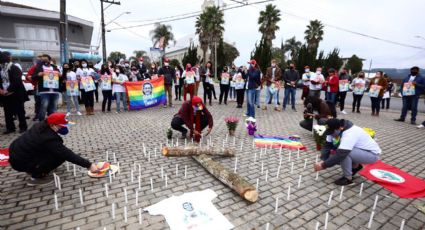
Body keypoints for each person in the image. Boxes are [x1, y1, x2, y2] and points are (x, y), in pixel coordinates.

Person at [9, 112, 99, 186]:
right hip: (20, 161)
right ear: (53, 125)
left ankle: (34, 168)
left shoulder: (41, 125)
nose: (64, 127)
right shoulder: (48, 138)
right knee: (60, 156)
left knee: (52, 152)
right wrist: (89, 165)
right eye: (61, 126)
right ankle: (37, 176)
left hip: (16, 154)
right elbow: (67, 154)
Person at [314, 118, 381, 186]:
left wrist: (323, 165)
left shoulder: (350, 133)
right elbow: (327, 146)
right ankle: (355, 167)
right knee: (336, 155)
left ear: (340, 128)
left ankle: (347, 179)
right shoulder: (332, 130)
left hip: (372, 154)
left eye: (332, 132)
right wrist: (323, 159)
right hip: (358, 151)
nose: (330, 134)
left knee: (344, 154)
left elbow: (341, 154)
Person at [0, 51, 28, 134]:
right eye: (10, 56)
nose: (11, 57)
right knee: (7, 111)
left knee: (20, 111)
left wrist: (8, 90)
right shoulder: (1, 68)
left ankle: (23, 127)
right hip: (4, 93)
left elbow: (17, 81)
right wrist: (1, 90)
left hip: (15, 93)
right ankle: (10, 128)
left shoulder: (14, 67)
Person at [32, 54, 61, 121]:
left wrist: (60, 75)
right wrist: (38, 74)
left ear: (49, 60)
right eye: (43, 60)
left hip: (54, 91)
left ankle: (51, 121)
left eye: (46, 59)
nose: (44, 61)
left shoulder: (54, 67)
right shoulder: (39, 68)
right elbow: (33, 77)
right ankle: (41, 121)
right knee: (44, 107)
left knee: (53, 108)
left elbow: (60, 77)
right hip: (44, 91)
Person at [26, 55, 43, 121]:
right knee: (38, 102)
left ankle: (44, 114)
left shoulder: (47, 67)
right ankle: (37, 114)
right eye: (38, 60)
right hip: (37, 88)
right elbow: (28, 76)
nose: (39, 61)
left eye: (40, 60)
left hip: (46, 89)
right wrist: (31, 78)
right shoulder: (34, 67)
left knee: (44, 102)